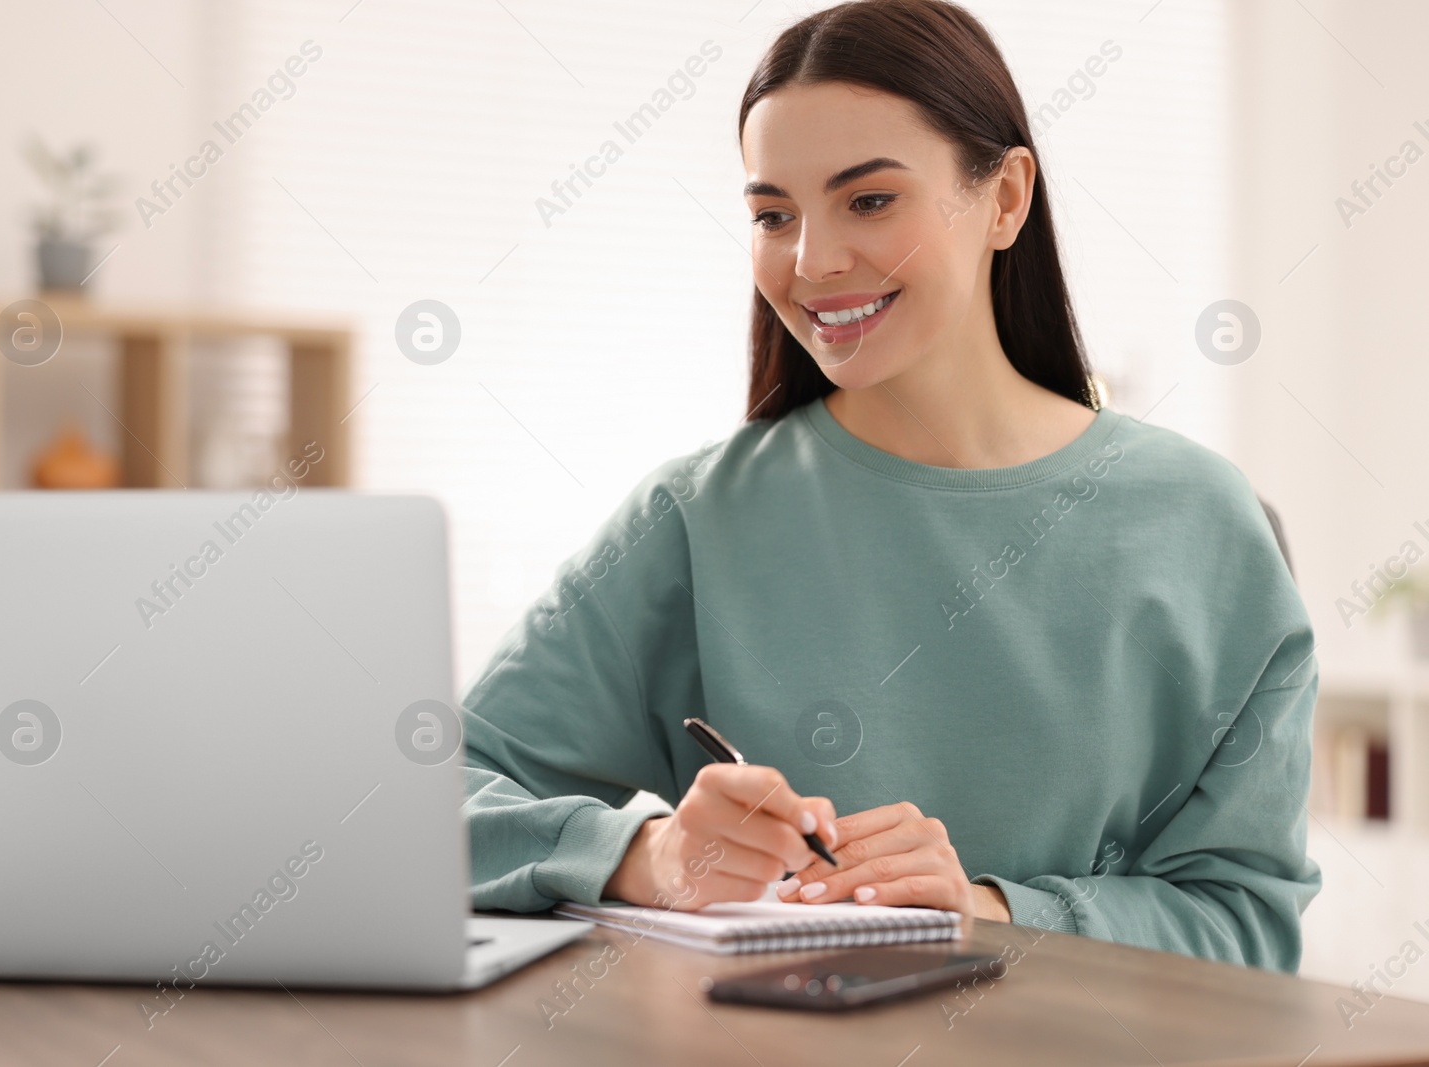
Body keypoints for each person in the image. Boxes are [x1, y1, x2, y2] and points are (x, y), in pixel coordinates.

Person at [459, 0, 1320, 972]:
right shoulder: (695, 521)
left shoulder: (1200, 523)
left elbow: (1248, 927)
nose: (812, 261)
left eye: (868, 200)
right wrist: (644, 853)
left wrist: (985, 906)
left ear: (1003, 198)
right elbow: (423, 796)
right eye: (772, 213)